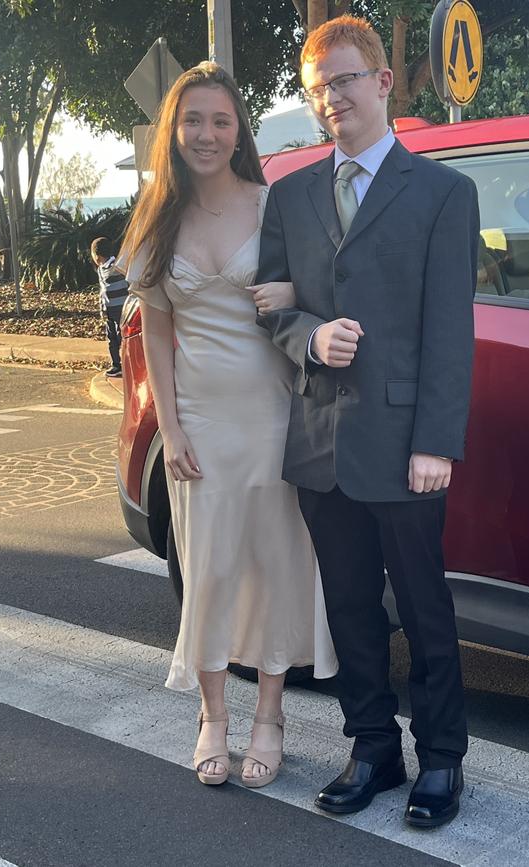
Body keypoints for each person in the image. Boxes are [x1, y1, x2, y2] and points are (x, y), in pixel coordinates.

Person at [257, 15, 479, 828]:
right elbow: (272, 308)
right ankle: (373, 746)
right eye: (318, 88)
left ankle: (443, 759)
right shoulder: (292, 195)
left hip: (403, 445)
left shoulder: (445, 194)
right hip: (321, 442)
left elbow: (451, 332)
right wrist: (309, 336)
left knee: (423, 606)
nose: (332, 99)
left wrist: (435, 443)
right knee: (349, 605)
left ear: (383, 82)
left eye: (345, 80)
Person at [119, 62, 337, 789]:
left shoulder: (274, 205)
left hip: (275, 414)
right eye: (193, 122)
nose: (206, 134)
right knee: (208, 570)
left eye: (220, 121)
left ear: (238, 129)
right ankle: (213, 716)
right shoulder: (158, 217)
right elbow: (155, 333)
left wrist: (291, 289)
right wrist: (172, 429)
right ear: (173, 133)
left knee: (276, 567)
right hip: (202, 423)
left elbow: (321, 294)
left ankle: (269, 716)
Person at [91, 236, 129, 377]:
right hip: (109, 310)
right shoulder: (101, 269)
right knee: (111, 339)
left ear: (96, 255)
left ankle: (127, 364)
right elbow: (103, 292)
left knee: (123, 338)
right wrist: (102, 310)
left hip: (122, 310)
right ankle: (116, 365)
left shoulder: (118, 266)